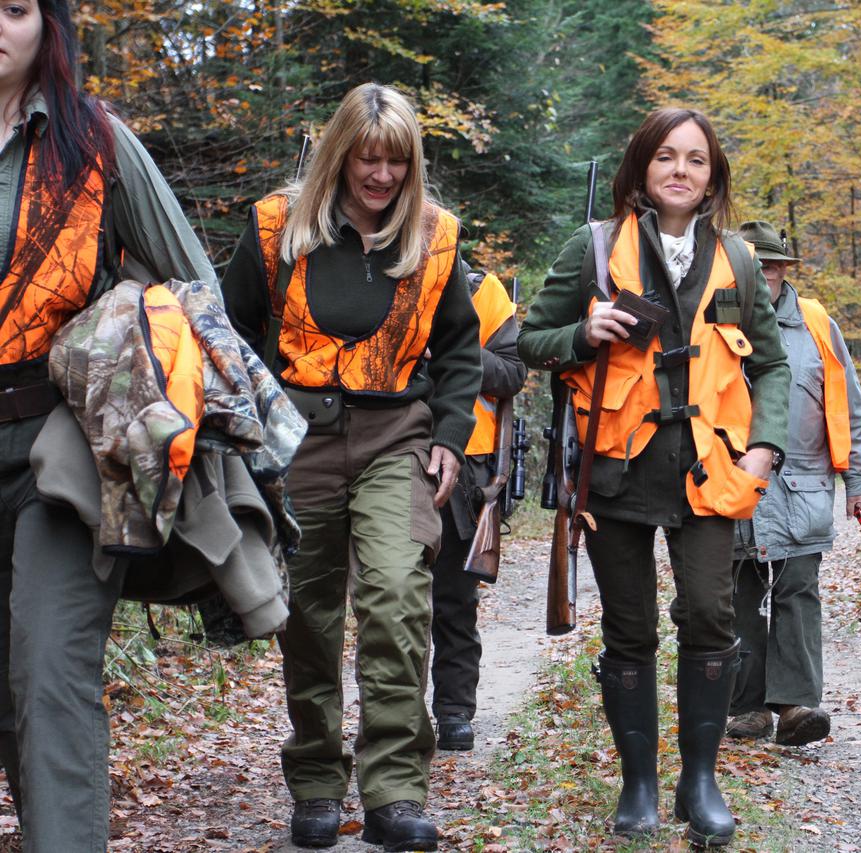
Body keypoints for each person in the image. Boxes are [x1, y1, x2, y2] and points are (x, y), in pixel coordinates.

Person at [518, 107, 791, 847]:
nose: (680, 169)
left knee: (711, 615)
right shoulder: (595, 247)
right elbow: (523, 339)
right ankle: (638, 783)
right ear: (642, 168)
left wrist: (764, 448)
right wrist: (583, 332)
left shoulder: (735, 258)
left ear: (712, 179)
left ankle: (698, 781)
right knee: (629, 627)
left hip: (709, 469)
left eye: (696, 160)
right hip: (615, 470)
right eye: (666, 156)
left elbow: (770, 365)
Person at [222, 83, 481, 852]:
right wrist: (242, 429)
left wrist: (452, 436)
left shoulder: (435, 237)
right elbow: (228, 328)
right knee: (306, 613)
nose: (380, 176)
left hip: (396, 434)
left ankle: (395, 790)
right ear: (340, 153)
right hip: (297, 442)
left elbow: (462, 349)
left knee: (399, 597)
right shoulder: (277, 225)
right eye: (367, 158)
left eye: (396, 162)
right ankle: (316, 780)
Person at [0, 1, 219, 849]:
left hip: (59, 452)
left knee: (50, 676)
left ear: (47, 24)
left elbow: (194, 288)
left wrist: (123, 335)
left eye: (16, 7)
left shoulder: (96, 143)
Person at [725, 220, 861, 747]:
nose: (763, 277)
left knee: (797, 594)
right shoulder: (714, 319)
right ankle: (745, 708)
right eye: (753, 267)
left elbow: (850, 406)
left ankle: (794, 705)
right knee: (738, 594)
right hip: (730, 483)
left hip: (804, 488)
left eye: (771, 267)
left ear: (785, 271)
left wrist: (859, 483)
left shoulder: (816, 323)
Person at [429, 263, 526, 752]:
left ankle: (453, 710)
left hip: (468, 464)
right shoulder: (375, 274)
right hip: (388, 452)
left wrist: (453, 346)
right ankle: (395, 714)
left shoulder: (479, 289)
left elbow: (513, 371)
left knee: (455, 599)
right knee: (388, 601)